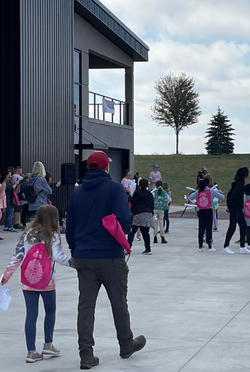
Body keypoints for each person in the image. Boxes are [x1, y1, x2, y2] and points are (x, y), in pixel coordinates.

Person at [66, 151, 146, 369]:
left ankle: (86, 354)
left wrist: (75, 249)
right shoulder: (114, 189)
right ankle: (126, 344)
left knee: (85, 306)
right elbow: (124, 219)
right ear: (105, 168)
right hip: (110, 255)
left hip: (84, 256)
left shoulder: (77, 192)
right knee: (119, 303)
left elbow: (70, 226)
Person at [1, 205, 72, 363]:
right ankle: (48, 343)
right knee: (50, 311)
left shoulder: (27, 234)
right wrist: (73, 263)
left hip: (28, 280)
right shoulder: (52, 236)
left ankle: (31, 351)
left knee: (31, 314)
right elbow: (59, 257)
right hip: (47, 281)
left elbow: (17, 255)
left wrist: (6, 275)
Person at [188, 178, 224, 251]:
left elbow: (190, 197)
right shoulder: (211, 191)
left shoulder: (199, 191)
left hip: (201, 210)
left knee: (201, 228)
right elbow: (222, 197)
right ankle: (209, 245)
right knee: (208, 229)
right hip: (209, 210)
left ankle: (200, 246)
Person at [223, 167, 250, 254]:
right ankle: (226, 246)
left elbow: (229, 194)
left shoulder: (237, 183)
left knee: (243, 225)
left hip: (236, 208)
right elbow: (233, 196)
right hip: (236, 208)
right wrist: (236, 205)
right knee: (232, 226)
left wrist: (229, 206)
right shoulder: (240, 184)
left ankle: (242, 246)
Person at [128, 178, 154, 255]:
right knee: (146, 233)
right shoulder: (149, 193)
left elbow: (132, 202)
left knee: (132, 232)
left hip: (138, 214)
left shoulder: (137, 193)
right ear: (147, 185)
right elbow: (152, 204)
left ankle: (128, 248)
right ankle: (148, 249)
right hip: (147, 214)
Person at [151, 180, 170, 245]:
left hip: (155, 208)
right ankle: (162, 237)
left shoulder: (154, 192)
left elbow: (151, 198)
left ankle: (155, 237)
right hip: (162, 208)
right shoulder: (164, 192)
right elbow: (169, 199)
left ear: (155, 185)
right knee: (161, 222)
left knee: (155, 223)